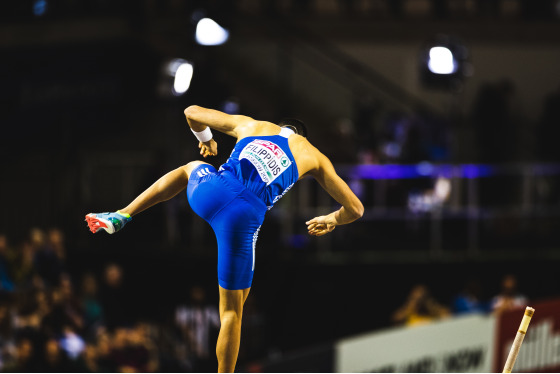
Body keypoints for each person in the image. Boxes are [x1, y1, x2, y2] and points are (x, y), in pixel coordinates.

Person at [85, 105, 364, 372]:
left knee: (189, 168)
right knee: (232, 312)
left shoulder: (252, 125)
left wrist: (206, 140)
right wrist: (332, 219)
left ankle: (122, 214)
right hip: (243, 218)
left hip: (210, 191)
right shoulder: (314, 156)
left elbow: (191, 112)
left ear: (278, 127)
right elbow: (356, 209)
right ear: (303, 137)